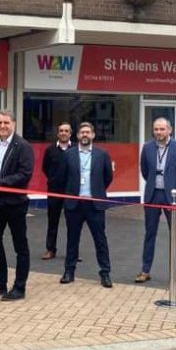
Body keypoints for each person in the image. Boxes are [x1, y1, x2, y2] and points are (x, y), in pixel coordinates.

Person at [0, 109, 34, 301]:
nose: (2, 126)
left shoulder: (23, 146)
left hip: (15, 204)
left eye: (6, 123)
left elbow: (24, 174)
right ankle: (0, 282)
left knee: (20, 246)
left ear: (14, 124)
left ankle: (19, 287)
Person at [137, 118, 176, 286]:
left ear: (170, 130)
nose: (158, 132)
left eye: (162, 129)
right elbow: (145, 171)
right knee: (149, 234)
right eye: (156, 129)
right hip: (153, 196)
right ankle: (145, 270)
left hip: (173, 198)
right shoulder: (147, 147)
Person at [58, 122, 114, 288]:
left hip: (94, 204)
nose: (85, 135)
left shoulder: (102, 154)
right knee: (72, 240)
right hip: (74, 205)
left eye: (88, 132)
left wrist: (97, 191)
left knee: (100, 240)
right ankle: (69, 272)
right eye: (82, 132)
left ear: (93, 135)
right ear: (77, 135)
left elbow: (108, 177)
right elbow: (62, 177)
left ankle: (105, 273)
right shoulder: (68, 155)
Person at [41, 121, 73, 260]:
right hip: (54, 191)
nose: (64, 133)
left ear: (70, 134)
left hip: (71, 192)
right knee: (52, 222)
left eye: (66, 131)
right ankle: (50, 249)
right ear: (58, 133)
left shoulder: (76, 149)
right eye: (61, 131)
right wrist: (54, 180)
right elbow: (45, 168)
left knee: (73, 223)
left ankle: (72, 252)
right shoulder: (50, 150)